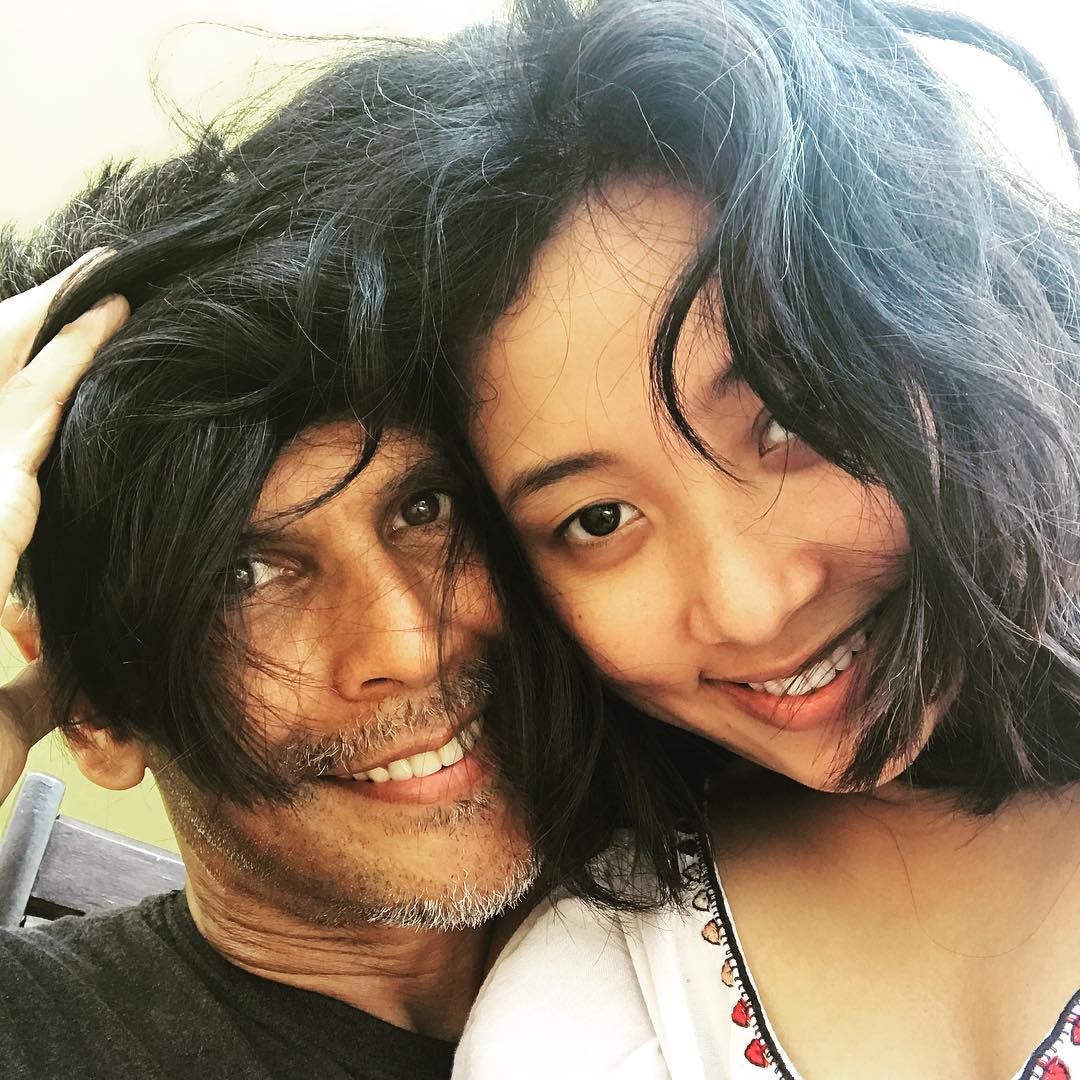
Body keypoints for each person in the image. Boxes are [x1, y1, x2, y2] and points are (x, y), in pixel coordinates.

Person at [323, 1, 1078, 1076]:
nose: (750, 604)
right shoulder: (582, 1006)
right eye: (597, 521)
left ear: (958, 326)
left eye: (791, 416)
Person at [0, 38, 542, 1079]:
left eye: (423, 508)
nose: (408, 645)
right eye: (241, 577)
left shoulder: (728, 909)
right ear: (95, 713)